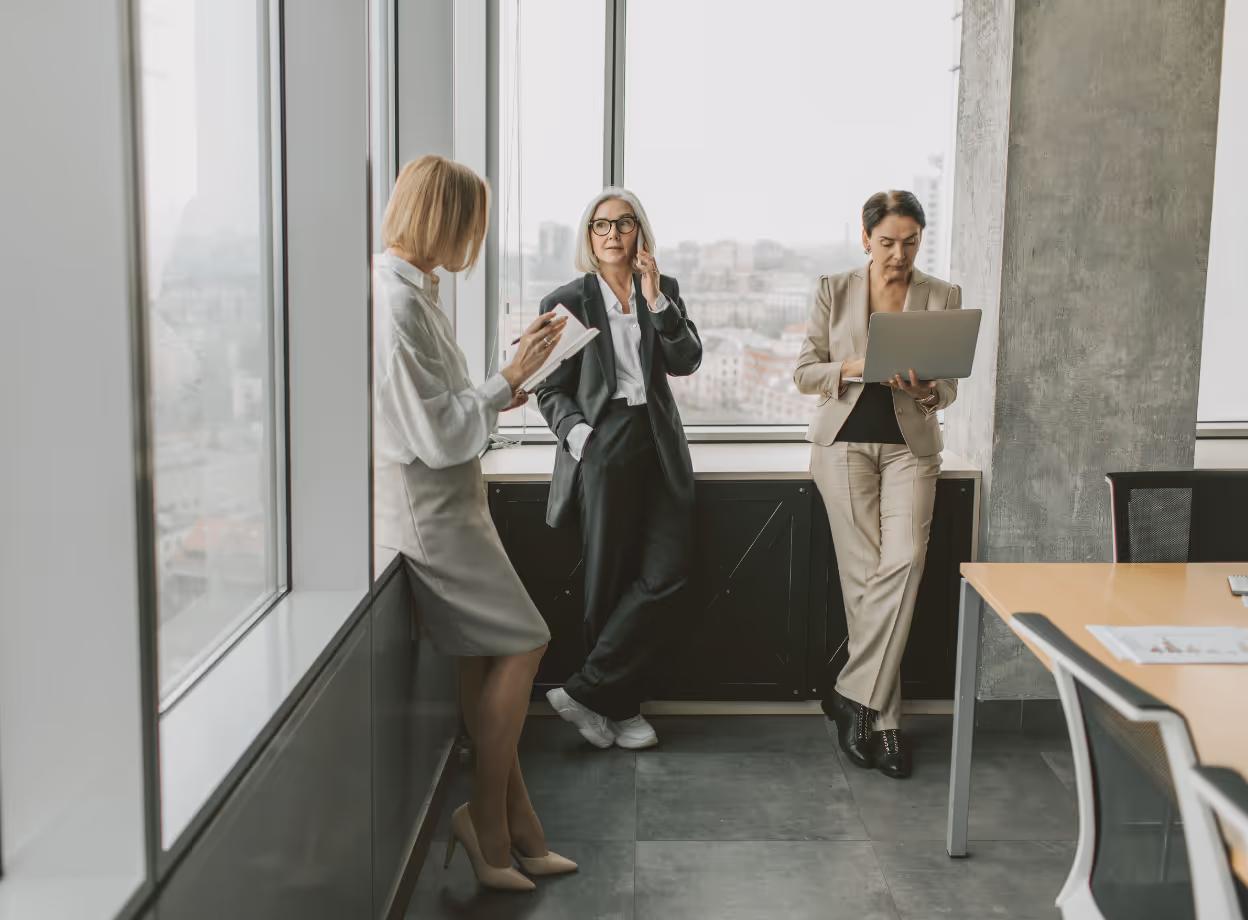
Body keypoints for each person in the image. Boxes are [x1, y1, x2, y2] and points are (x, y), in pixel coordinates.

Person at [373, 155, 576, 890]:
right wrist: (505, 379)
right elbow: (432, 436)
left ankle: (518, 827)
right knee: (526, 641)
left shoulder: (414, 296)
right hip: (430, 511)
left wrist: (500, 388)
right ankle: (486, 822)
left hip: (453, 501)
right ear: (443, 220)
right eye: (470, 223)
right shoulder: (395, 306)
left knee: (481, 661)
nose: (475, 240)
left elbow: (445, 409)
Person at [794, 190, 961, 779]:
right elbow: (804, 372)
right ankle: (884, 721)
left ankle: (850, 694)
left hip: (911, 448)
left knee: (906, 562)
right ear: (866, 239)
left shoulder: (941, 295)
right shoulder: (833, 289)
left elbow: (948, 388)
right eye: (887, 242)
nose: (899, 254)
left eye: (910, 242)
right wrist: (855, 367)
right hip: (843, 446)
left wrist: (926, 391)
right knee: (863, 580)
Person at [533, 188, 702, 751]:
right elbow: (549, 390)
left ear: (640, 232)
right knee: (606, 580)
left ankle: (587, 693)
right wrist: (583, 440)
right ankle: (621, 709)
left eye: (624, 223)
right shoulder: (567, 301)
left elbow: (686, 361)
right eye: (601, 225)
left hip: (657, 441)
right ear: (589, 235)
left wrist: (656, 301)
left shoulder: (663, 289)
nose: (612, 234)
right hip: (603, 441)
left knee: (668, 572)